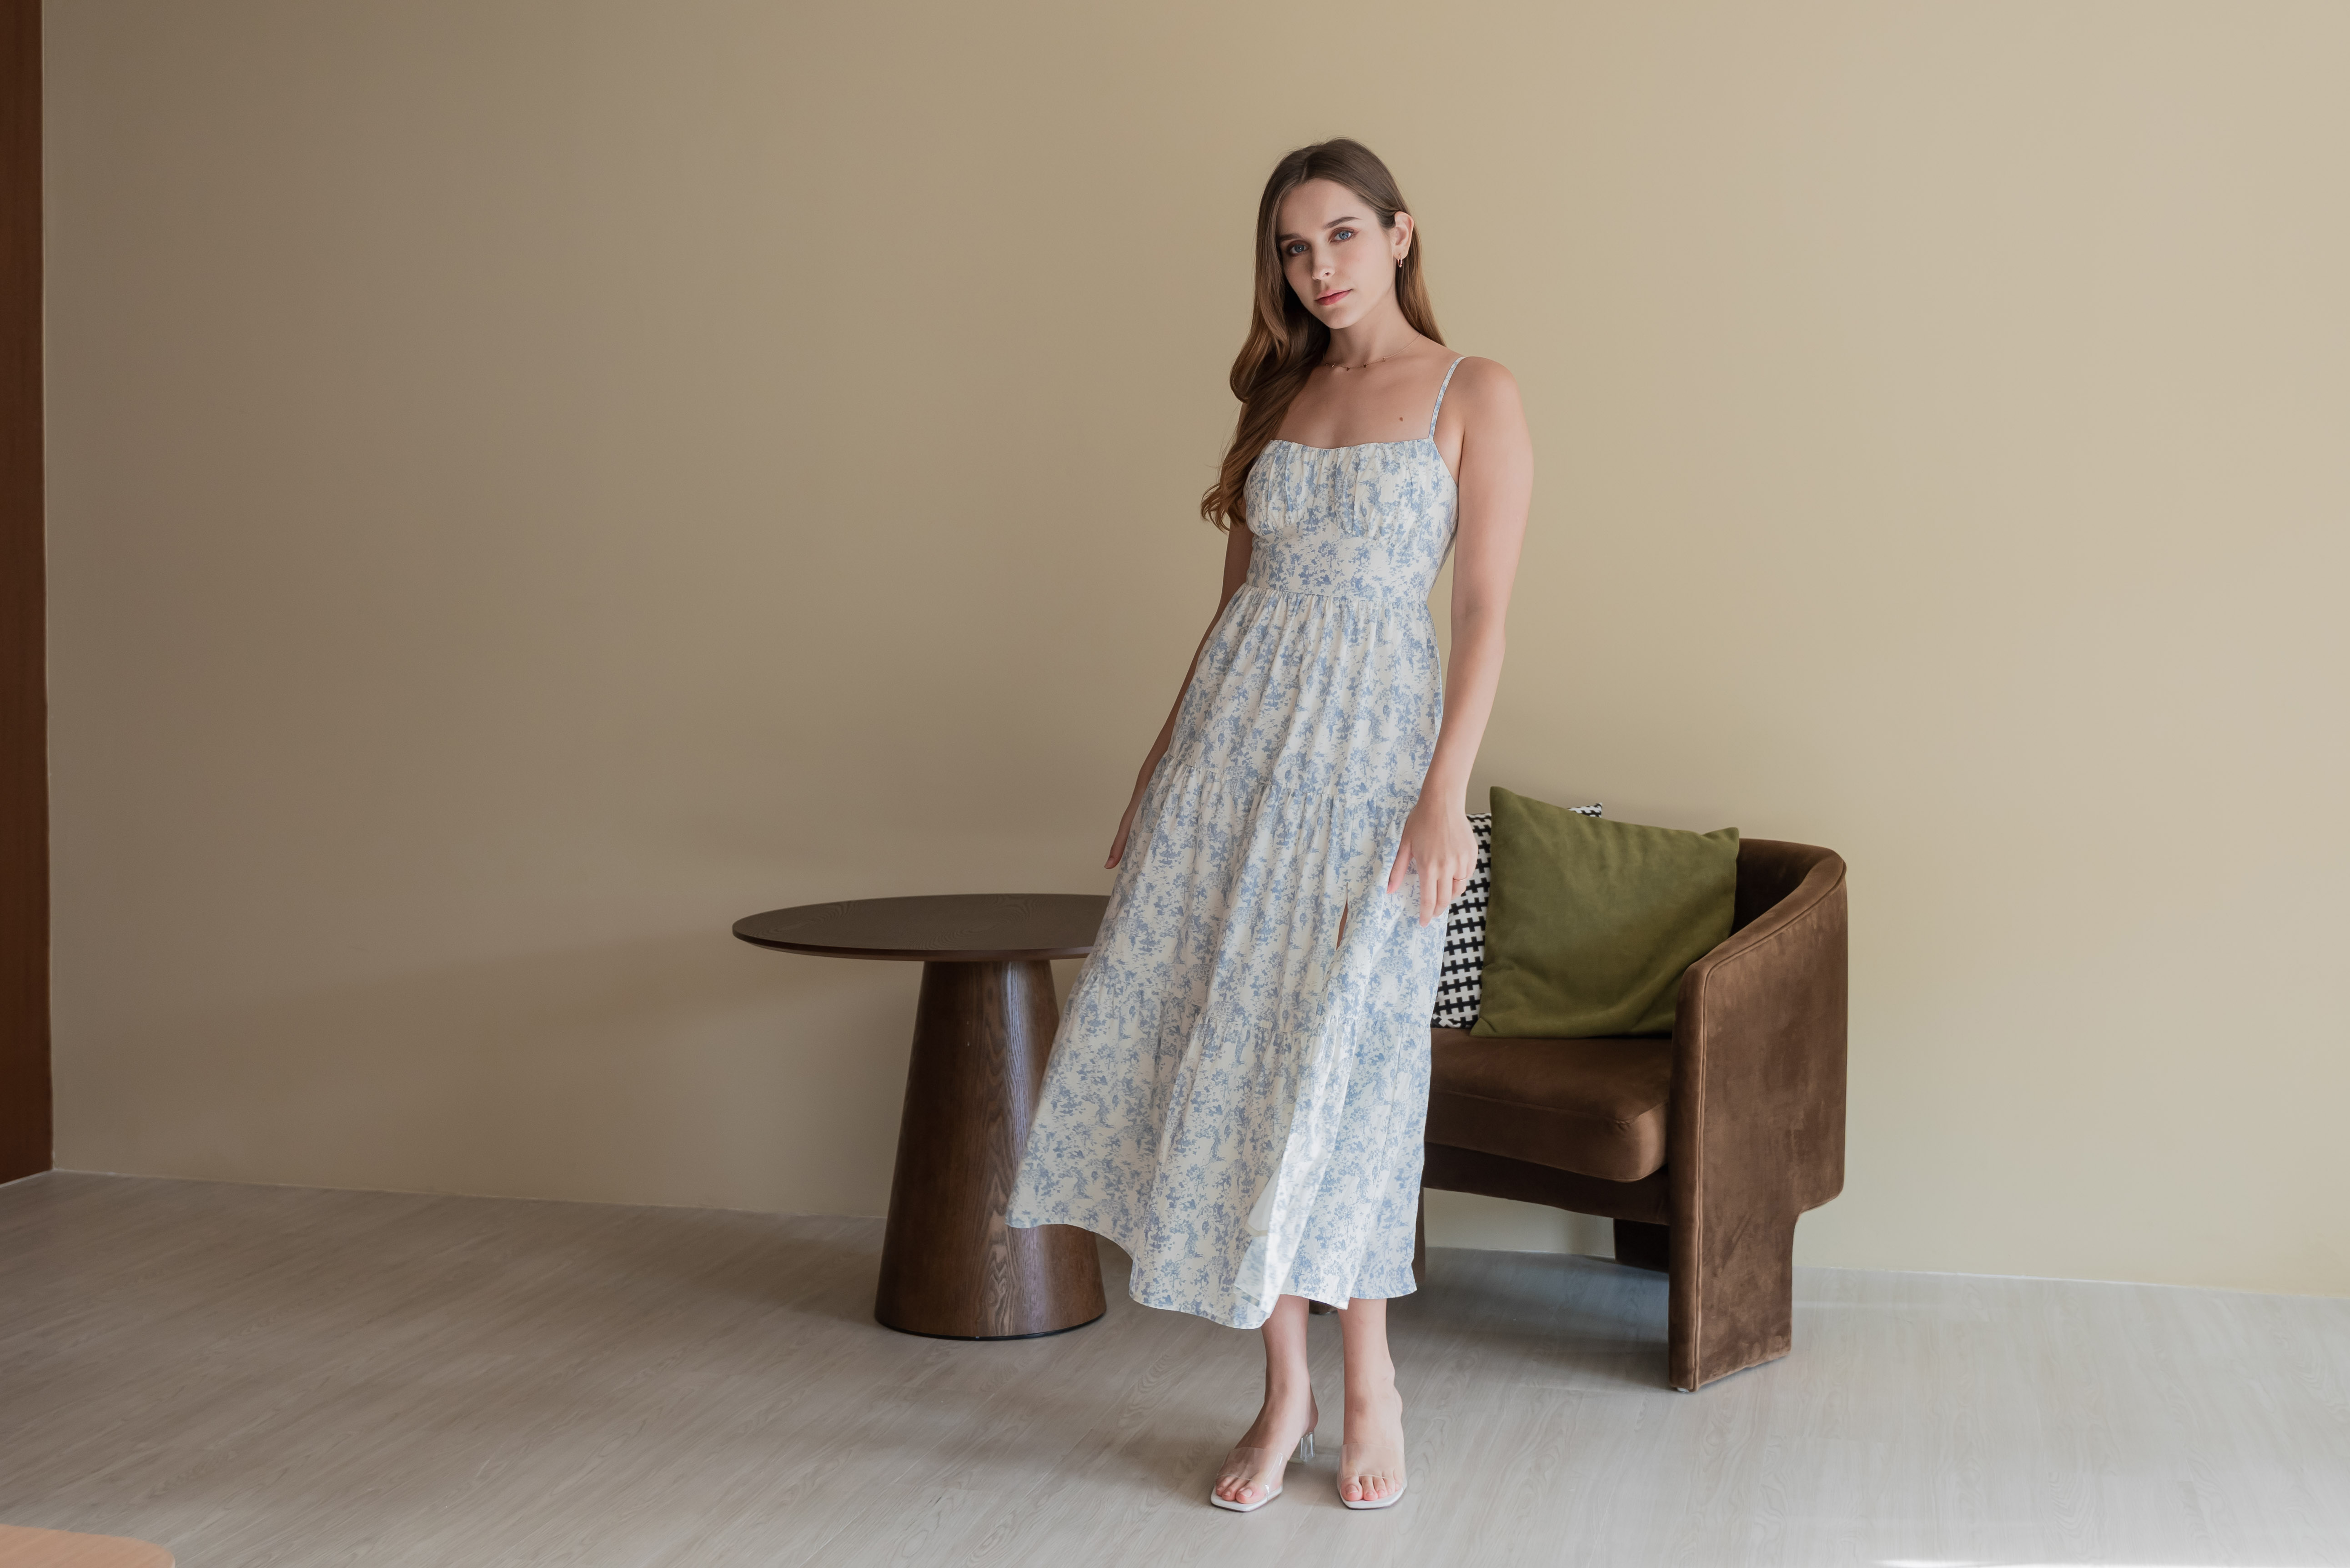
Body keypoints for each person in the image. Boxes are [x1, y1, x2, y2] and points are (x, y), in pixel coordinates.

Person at [1004, 137, 1532, 1513]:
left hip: (1373, 768)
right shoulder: (1278, 397)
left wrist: (1444, 794)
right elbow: (1232, 608)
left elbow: (1484, 615)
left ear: (1400, 234)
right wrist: (1158, 767)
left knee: (1352, 1069)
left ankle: (1371, 1386)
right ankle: (1282, 1388)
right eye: (1295, 249)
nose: (1319, 268)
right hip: (1234, 762)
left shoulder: (1474, 391)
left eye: (1343, 235)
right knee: (1240, 1059)